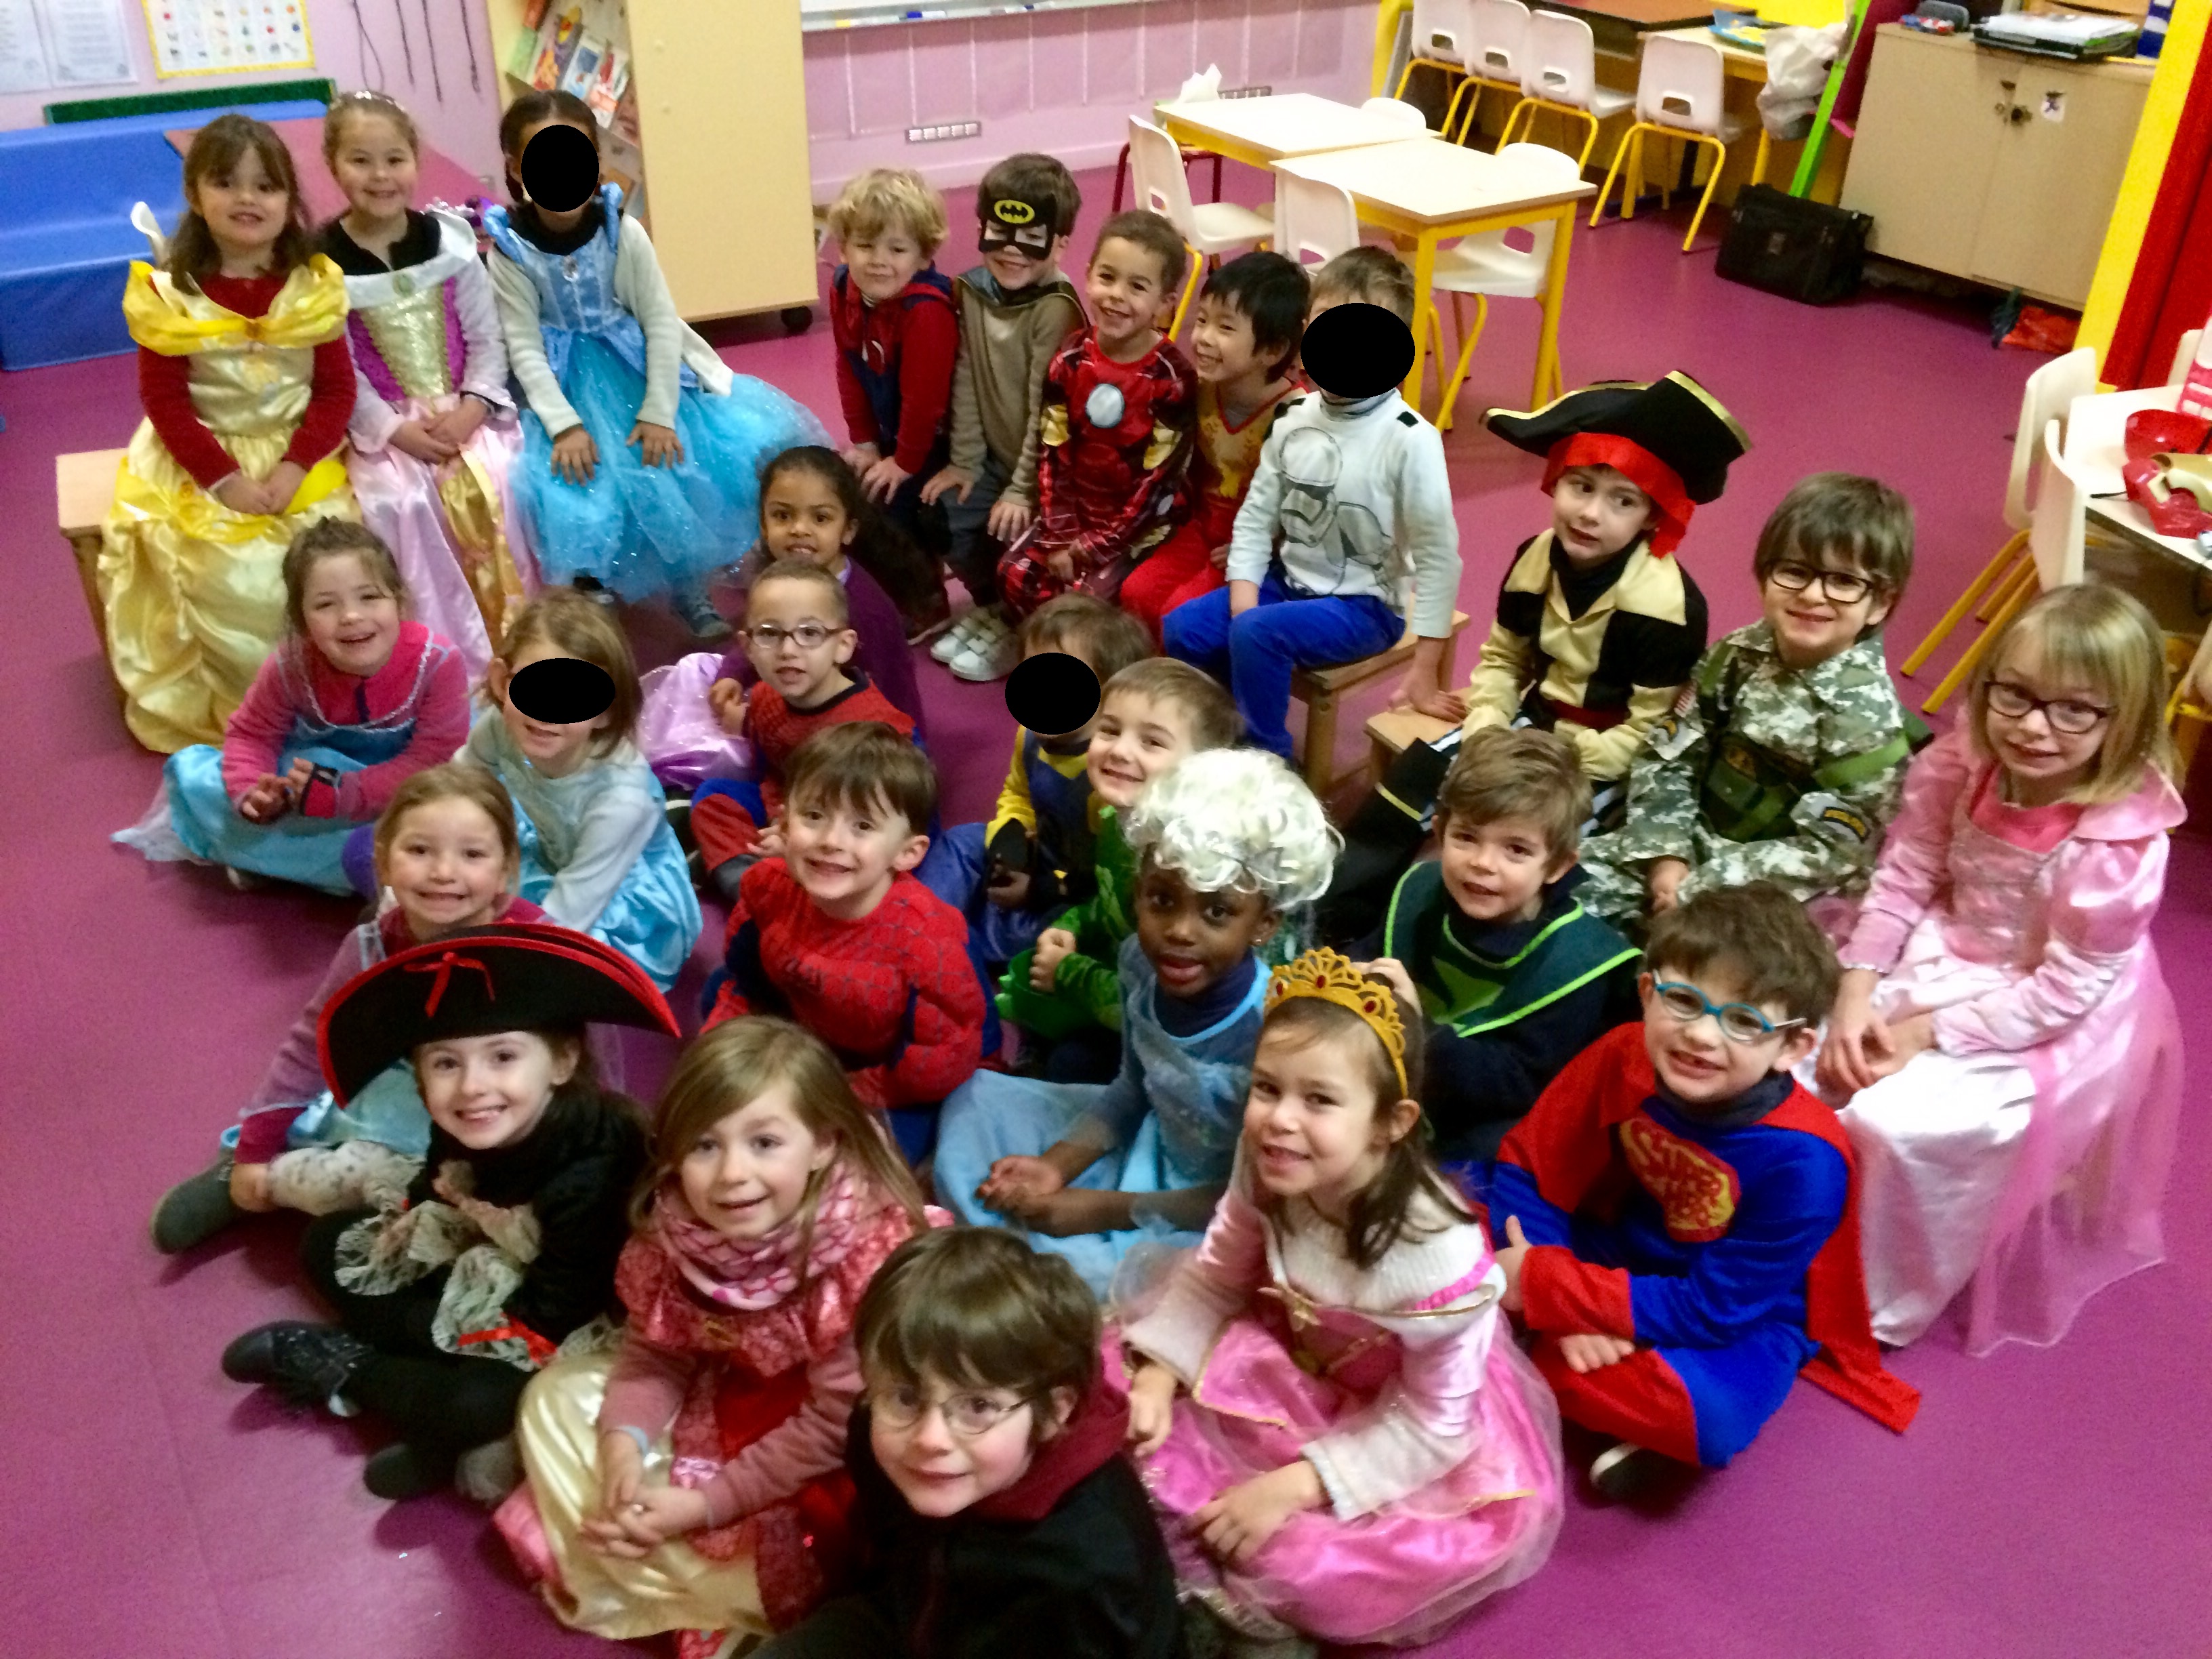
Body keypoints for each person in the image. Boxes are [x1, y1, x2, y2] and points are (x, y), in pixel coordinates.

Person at [1119, 948, 1564, 1650]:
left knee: (1328, 1570)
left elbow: (1434, 1426)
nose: (1279, 1121)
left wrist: (1295, 1487)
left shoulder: (1434, 1259)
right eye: (1267, 1088)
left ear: (1390, 1122)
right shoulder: (1268, 1162)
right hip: (1280, 1356)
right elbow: (1216, 1276)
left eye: (1319, 1099)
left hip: (1399, 1412)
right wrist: (1159, 1370)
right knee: (1118, 1397)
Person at [1809, 586, 2186, 1353]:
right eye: (2014, 694)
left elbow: (2068, 987)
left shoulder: (2117, 846)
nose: (2034, 727)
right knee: (1810, 1061)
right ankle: (1784, 1240)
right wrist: (1857, 986)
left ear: (2127, 720)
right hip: (1945, 950)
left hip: (2041, 1006)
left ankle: (1874, 1295)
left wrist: (1925, 1033)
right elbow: (1909, 868)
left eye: (2075, 710)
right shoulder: (1966, 762)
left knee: (1898, 1125)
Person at [496, 1017, 934, 1655]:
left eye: (764, 1143)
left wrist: (706, 1506)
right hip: (730, 1395)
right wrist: (622, 1448)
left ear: (822, 1145)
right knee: (553, 1397)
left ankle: (711, 1600)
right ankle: (671, 1575)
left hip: (830, 1450)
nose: (731, 1174)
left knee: (787, 1553)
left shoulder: (864, 1256)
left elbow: (838, 1425)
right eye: (704, 1145)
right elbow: (656, 1352)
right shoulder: (679, 1227)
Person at [1488, 884, 1919, 1500]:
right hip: (1614, 1251)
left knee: (1706, 1419)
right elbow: (1530, 1169)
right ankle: (1538, 1364)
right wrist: (1559, 1282)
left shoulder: (1808, 1161)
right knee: (1447, 1216)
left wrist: (1546, 1293)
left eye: (1744, 1022)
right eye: (1684, 1001)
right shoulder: (1623, 1054)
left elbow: (1715, 1309)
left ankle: (1516, 1361)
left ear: (1792, 1048)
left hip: (1733, 1311)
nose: (1702, 1037)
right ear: (1646, 994)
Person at [220, 923, 678, 1500]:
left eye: (504, 1056)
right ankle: (422, 1409)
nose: (472, 1088)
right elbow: (434, 1185)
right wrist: (408, 1239)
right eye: (445, 1064)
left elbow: (552, 1315)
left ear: (562, 1061)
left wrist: (422, 1323)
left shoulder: (593, 1171)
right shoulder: (467, 1123)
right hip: (492, 1262)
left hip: (568, 1310)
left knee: (478, 1403)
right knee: (326, 1245)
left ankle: (347, 1366)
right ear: (419, 1074)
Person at [1325, 370, 1748, 920]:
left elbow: (1649, 732)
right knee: (1420, 781)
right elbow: (1504, 658)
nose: (1591, 514)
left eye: (1623, 501)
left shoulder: (1666, 608)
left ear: (1652, 518)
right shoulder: (1536, 557)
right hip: (1526, 726)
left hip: (1601, 758)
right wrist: (1489, 729)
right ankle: (1332, 916)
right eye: (1581, 486)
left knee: (1533, 847)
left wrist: (1554, 759)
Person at [939, 749, 1338, 1294]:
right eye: (1162, 900)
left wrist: (1104, 1210)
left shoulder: (1277, 1029)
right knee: (970, 1104)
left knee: (1114, 1287)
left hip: (1218, 1207)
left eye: (1217, 911)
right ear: (1138, 890)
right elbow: (1133, 1087)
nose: (1179, 930)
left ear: (1264, 923)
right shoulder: (1135, 962)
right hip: (1150, 1146)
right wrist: (1056, 1167)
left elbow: (1265, 1193)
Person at [152, 763, 550, 1253]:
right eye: (419, 851)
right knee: (336, 1130)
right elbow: (312, 1043)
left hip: (504, 1102)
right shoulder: (369, 948)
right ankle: (249, 1175)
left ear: (506, 869)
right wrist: (255, 1148)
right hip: (404, 1093)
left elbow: (579, 1053)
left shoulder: (537, 947)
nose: (444, 873)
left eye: (472, 855)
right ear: (384, 861)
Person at [483, 89, 826, 638]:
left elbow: (661, 321)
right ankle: (593, 588)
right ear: (516, 169)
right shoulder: (511, 248)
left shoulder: (623, 230)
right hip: (564, 385)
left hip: (636, 370)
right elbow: (521, 344)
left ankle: (688, 586)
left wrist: (660, 409)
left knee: (670, 476)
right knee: (582, 490)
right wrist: (564, 424)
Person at [756, 1227, 1187, 1659]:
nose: (930, 1439)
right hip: (913, 1611)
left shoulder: (1080, 1572)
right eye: (906, 1397)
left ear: (1055, 1411)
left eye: (978, 1406)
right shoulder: (880, 1432)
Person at [98, 112, 359, 752]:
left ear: (288, 201)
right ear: (195, 195)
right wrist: (225, 480)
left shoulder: (309, 286)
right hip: (206, 457)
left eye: (266, 186)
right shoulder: (172, 295)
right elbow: (166, 404)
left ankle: (339, 695)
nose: (248, 199)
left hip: (299, 454)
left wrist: (296, 465)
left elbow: (335, 391)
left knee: (340, 565)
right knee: (231, 575)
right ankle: (251, 715)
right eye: (227, 183)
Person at [1578, 474, 1919, 929]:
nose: (1813, 595)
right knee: (1556, 892)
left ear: (1879, 604)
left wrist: (1702, 884)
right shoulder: (1738, 654)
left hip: (1768, 890)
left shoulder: (1866, 721)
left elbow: (1832, 853)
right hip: (1682, 842)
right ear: (1765, 573)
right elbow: (1672, 752)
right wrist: (1666, 853)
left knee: (1701, 976)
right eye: (1795, 571)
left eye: (1843, 581)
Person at [1163, 247, 1462, 761]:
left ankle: (1267, 761)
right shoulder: (1295, 416)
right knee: (1184, 628)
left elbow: (1439, 560)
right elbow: (1256, 520)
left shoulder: (1411, 439)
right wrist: (1242, 600)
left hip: (1365, 607)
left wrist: (1424, 670)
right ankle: (1225, 724)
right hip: (1290, 583)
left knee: (1258, 634)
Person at [118, 521, 469, 895]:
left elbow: (431, 760)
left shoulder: (439, 663)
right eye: (325, 604)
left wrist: (348, 792)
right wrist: (254, 791)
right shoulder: (291, 667)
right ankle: (352, 866)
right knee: (204, 782)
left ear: (399, 602)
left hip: (402, 790)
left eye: (369, 597)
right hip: (314, 785)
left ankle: (291, 861)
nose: (350, 616)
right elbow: (251, 735)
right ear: (302, 621)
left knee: (458, 811)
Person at [1353, 727, 1641, 1166]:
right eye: (1466, 837)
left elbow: (1516, 1085)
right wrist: (1350, 974)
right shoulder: (1421, 890)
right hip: (1411, 1069)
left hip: (1488, 1109)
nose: (1484, 864)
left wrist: (1416, 1028)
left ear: (1558, 865)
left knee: (1496, 1150)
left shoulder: (1580, 961)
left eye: (1516, 849)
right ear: (1440, 831)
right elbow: (1376, 950)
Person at [317, 89, 531, 680]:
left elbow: (488, 340)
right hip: (387, 428)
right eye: (361, 160)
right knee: (399, 502)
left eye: (395, 158)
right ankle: (445, 661)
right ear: (333, 165)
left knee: (510, 479)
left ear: (416, 159)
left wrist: (472, 409)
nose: (381, 175)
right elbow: (338, 370)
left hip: (467, 411)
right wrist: (395, 431)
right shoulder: (322, 265)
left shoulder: (451, 242)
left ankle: (527, 635)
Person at [708, 723, 983, 1165]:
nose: (831, 841)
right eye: (814, 816)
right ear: (784, 823)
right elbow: (743, 978)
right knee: (716, 1021)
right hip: (807, 1031)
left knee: (867, 1167)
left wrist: (851, 1089)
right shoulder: (766, 886)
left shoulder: (926, 939)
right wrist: (730, 1047)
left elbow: (940, 1060)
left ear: (908, 853)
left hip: (891, 1073)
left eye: (863, 826)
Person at [972, 209, 1197, 677]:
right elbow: (1054, 451)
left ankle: (1093, 672)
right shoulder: (1071, 358)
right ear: (1089, 275)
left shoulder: (1172, 379)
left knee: (1087, 600)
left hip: (1135, 527)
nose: (1117, 296)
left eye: (1138, 287)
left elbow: (1156, 487)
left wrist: (1087, 549)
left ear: (1165, 303)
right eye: (1107, 277)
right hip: (1072, 516)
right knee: (1013, 574)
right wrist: (1058, 533)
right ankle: (1044, 649)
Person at [997, 659, 1243, 1084]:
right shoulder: (1114, 818)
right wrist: (1075, 925)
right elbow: (1108, 898)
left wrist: (1070, 974)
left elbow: (1162, 993)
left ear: (1202, 769)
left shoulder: (1181, 866)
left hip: (1173, 1018)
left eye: (1152, 742)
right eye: (1109, 730)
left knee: (1069, 1065)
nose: (1120, 750)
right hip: (1120, 969)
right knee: (1037, 952)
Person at [640, 446, 929, 794]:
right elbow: (758, 633)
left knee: (717, 767)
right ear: (763, 524)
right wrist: (733, 673)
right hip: (790, 694)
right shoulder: (778, 579)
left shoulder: (866, 611)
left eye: (820, 518)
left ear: (848, 530)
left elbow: (882, 704)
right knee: (694, 672)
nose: (799, 530)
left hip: (847, 737)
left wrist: (753, 722)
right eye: (783, 516)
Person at [459, 589, 702, 990]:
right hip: (555, 850)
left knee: (568, 969)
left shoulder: (621, 799)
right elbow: (459, 786)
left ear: (605, 712)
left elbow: (572, 911)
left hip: (611, 891)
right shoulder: (500, 726)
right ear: (504, 682)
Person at [918, 594, 1153, 973]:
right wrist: (1008, 844)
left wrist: (1037, 888)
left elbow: (1099, 878)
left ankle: (956, 948)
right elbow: (1018, 795)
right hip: (1036, 853)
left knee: (1051, 935)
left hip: (1074, 888)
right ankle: (915, 926)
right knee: (964, 840)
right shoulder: (1029, 735)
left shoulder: (1110, 776)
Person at [923, 153, 1088, 676]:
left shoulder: (1056, 307)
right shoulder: (972, 290)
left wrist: (1022, 489)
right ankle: (992, 608)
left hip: (1047, 472)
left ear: (1060, 242)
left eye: (1032, 237)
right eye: (1000, 231)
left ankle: (1019, 625)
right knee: (946, 508)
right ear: (981, 227)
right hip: (994, 456)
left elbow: (1049, 408)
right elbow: (967, 376)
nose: (1013, 251)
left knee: (1019, 547)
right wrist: (966, 462)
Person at [687, 560, 920, 899]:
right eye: (769, 634)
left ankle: (778, 890)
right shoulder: (767, 695)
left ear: (843, 645)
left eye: (810, 633)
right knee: (713, 799)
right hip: (786, 807)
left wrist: (795, 841)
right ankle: (757, 889)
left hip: (841, 829)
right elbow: (768, 762)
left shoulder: (869, 731)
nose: (788, 651)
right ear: (748, 647)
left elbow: (874, 824)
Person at [1120, 253, 1309, 644]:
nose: (1203, 337)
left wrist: (1266, 547)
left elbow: (1304, 506)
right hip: (1200, 531)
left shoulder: (1295, 417)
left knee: (1180, 612)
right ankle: (1147, 684)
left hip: (1257, 550)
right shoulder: (1199, 390)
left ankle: (1191, 695)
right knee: (1136, 593)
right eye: (1202, 320)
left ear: (1272, 350)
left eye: (1226, 327)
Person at [825, 167, 962, 633]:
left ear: (924, 256)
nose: (878, 261)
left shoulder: (925, 312)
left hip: (927, 437)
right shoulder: (845, 287)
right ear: (843, 247)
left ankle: (926, 602)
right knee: (865, 501)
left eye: (897, 249)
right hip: (887, 426)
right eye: (865, 246)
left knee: (903, 511)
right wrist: (863, 441)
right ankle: (882, 589)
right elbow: (848, 364)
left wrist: (902, 462)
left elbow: (926, 403)